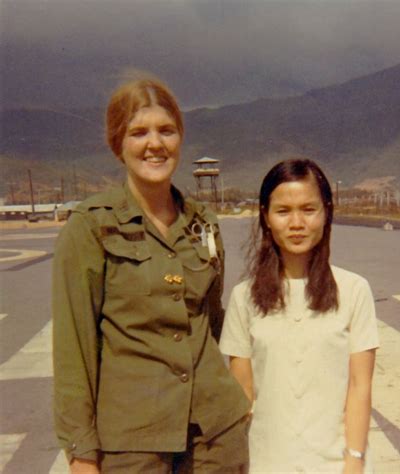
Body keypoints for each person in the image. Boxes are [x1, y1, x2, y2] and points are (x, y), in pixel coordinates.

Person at [52, 77, 250, 474]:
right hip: (132, 445)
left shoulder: (203, 224)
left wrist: (239, 401)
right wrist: (81, 454)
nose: (154, 144)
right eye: (138, 132)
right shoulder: (91, 226)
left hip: (215, 438)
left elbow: (212, 321)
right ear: (117, 143)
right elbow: (74, 347)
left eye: (167, 131)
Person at [219, 158, 379, 474]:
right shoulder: (244, 297)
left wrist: (354, 461)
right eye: (283, 211)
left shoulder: (354, 290)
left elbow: (360, 388)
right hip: (266, 463)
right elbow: (243, 395)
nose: (296, 223)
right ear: (265, 216)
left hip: (335, 465)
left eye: (308, 209)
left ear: (327, 212)